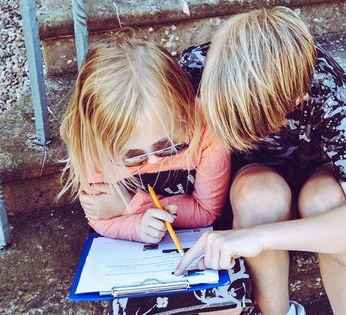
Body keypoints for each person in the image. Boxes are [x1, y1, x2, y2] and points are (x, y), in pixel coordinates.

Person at [175, 7, 346, 315]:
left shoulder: (325, 89)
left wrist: (257, 237)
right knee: (259, 197)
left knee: (328, 201)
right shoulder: (196, 69)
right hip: (251, 182)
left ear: (296, 100)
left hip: (317, 173)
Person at [59, 37, 252, 314]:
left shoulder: (207, 130)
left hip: (202, 242)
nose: (150, 161)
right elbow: (100, 219)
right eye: (132, 155)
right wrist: (136, 226)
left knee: (226, 304)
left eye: (168, 146)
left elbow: (207, 212)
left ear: (185, 109)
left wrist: (129, 205)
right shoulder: (92, 147)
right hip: (135, 257)